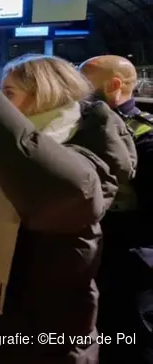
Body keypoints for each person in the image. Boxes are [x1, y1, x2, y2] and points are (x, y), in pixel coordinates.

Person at [0, 40, 136, 364]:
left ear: (43, 95)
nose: (3, 102)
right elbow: (3, 145)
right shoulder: (17, 150)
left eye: (8, 93)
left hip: (46, 340)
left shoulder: (84, 151)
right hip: (3, 327)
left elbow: (38, 171)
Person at [80, 55, 153, 364]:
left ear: (114, 85)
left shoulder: (144, 137)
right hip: (97, 259)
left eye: (84, 86)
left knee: (133, 344)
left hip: (132, 264)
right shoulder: (81, 130)